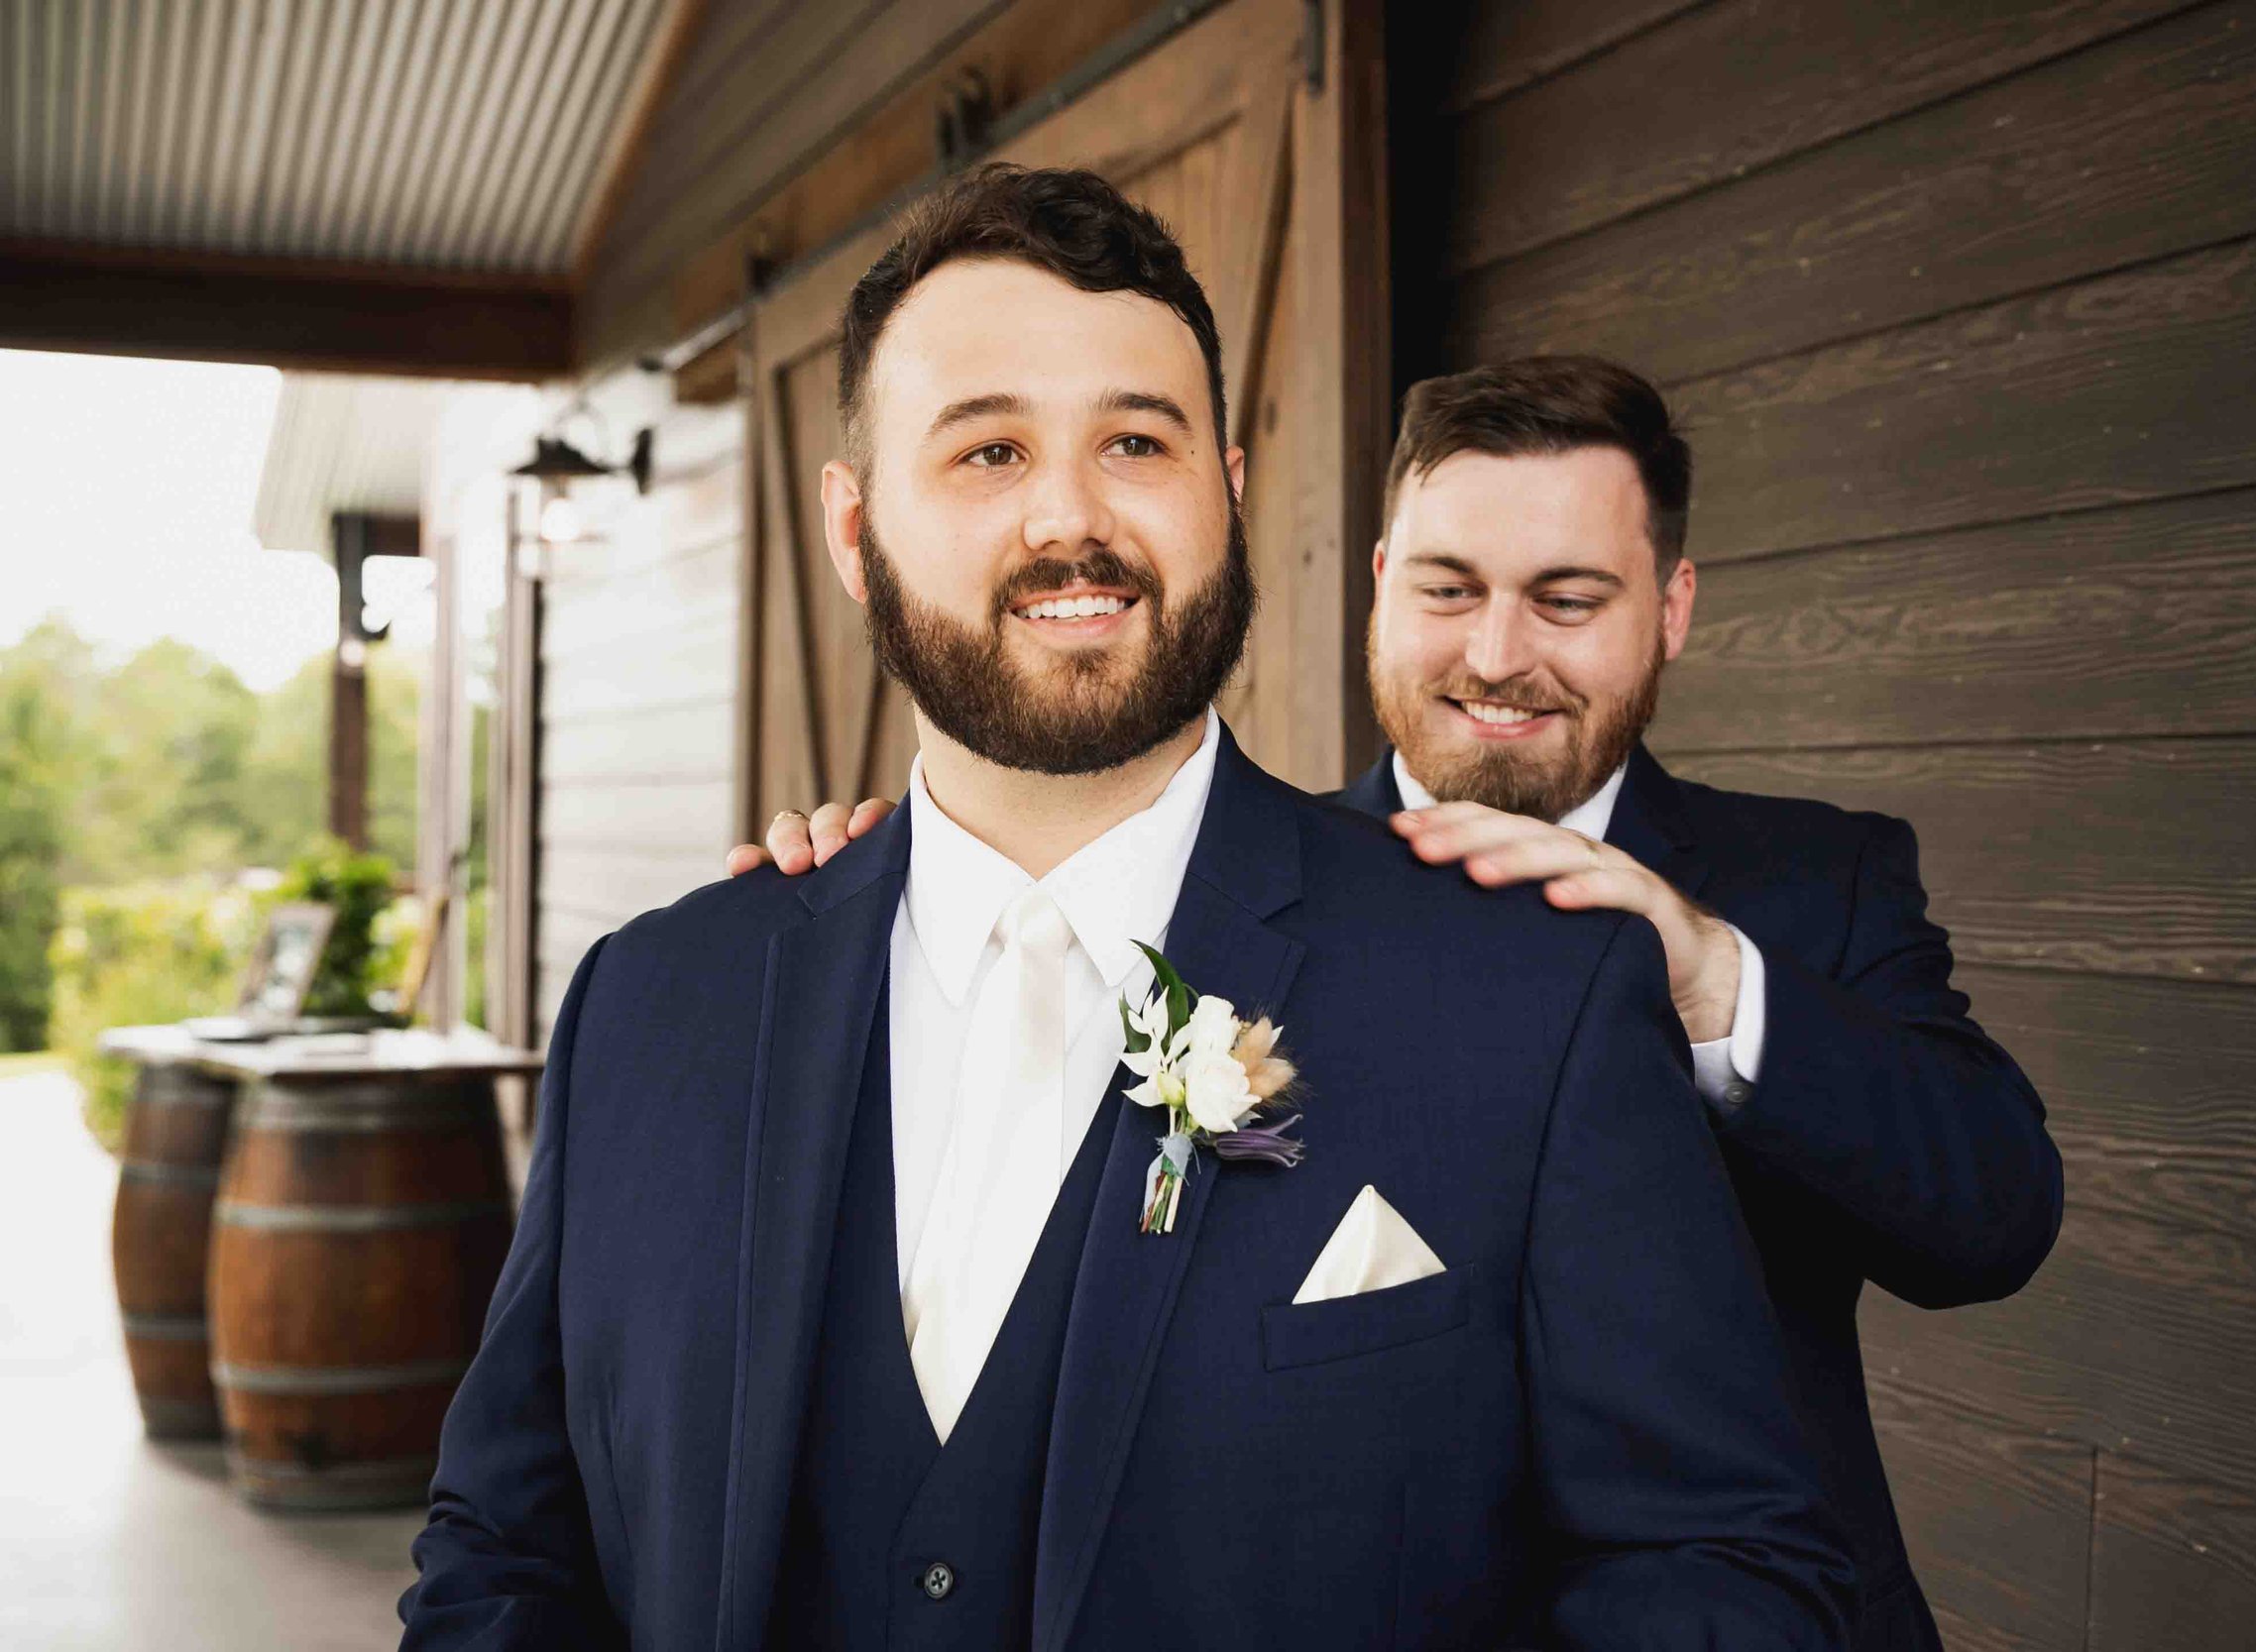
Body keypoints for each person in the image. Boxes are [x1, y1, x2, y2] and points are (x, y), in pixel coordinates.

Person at [403, 166, 1855, 1650]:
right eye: (986, 451)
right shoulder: (651, 1006)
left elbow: (1721, 1570)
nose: (1070, 517)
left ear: (1228, 488)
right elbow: (507, 1549)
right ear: (854, 533)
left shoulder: (1529, 995)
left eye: (1135, 443)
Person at [740, 354, 2065, 1650]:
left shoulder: (1817, 882)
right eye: (1449, 587)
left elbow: (1992, 1219)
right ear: (1381, 585)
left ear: (1669, 608)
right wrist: (913, 910)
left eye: (1568, 598)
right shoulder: (1202, 892)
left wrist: (1709, 972)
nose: (1497, 655)